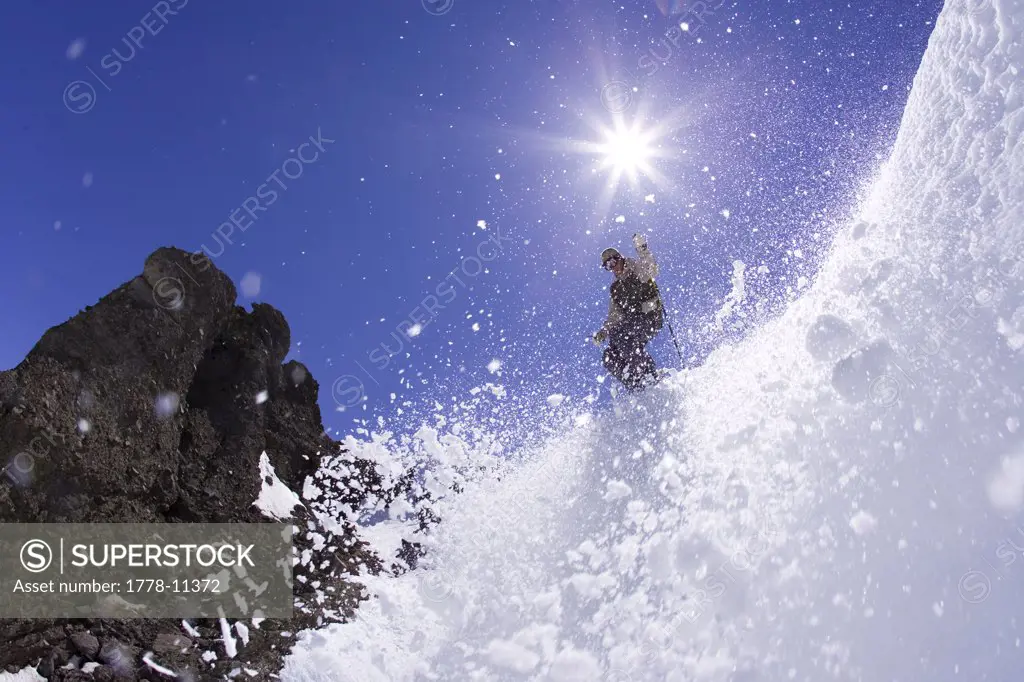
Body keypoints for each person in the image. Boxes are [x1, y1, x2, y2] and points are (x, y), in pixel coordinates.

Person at [593, 233, 665, 391]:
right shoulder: (616, 289)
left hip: (650, 315)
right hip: (631, 322)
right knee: (609, 356)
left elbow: (651, 269)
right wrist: (603, 332)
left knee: (621, 335)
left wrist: (642, 248)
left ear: (620, 258)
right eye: (608, 266)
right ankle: (634, 384)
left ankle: (648, 373)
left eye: (613, 261)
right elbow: (614, 316)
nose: (613, 268)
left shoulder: (635, 268)